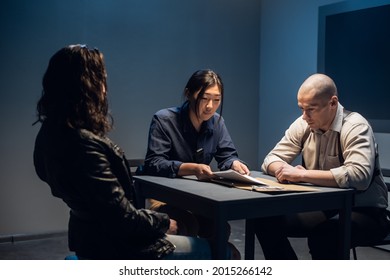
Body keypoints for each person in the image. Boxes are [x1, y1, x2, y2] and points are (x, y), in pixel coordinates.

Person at [33, 44, 212, 260]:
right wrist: (164, 222)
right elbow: (122, 218)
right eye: (101, 79)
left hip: (89, 239)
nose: (105, 88)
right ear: (88, 86)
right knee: (224, 250)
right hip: (117, 248)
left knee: (191, 225)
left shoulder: (49, 135)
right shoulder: (86, 147)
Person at [256, 73, 390, 259]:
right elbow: (270, 159)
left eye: (311, 108)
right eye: (301, 108)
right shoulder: (304, 124)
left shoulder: (355, 126)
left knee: (326, 235)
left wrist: (302, 175)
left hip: (365, 212)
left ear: (333, 103)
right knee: (263, 219)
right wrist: (283, 169)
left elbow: (358, 177)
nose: (304, 116)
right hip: (324, 207)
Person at [142, 69, 249, 258]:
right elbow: (154, 163)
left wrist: (234, 164)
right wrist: (190, 168)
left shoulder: (217, 123)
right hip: (165, 197)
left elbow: (227, 155)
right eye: (204, 98)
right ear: (189, 93)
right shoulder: (164, 120)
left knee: (219, 226)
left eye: (216, 100)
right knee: (186, 224)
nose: (210, 106)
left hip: (198, 197)